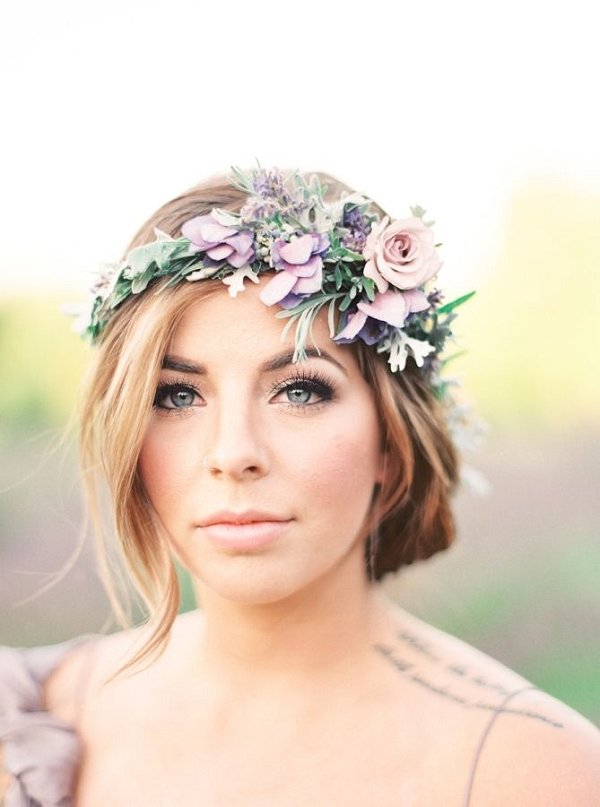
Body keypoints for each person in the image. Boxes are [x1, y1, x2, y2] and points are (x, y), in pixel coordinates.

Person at [1, 166, 598, 806]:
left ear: (391, 443)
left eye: (299, 390)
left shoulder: (531, 770)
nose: (233, 454)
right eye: (177, 395)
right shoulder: (33, 718)